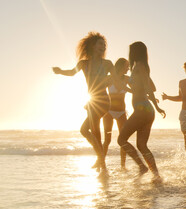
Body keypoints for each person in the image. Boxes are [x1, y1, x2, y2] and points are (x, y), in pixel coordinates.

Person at [53, 32, 116, 172]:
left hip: (103, 100)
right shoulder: (84, 63)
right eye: (100, 44)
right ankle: (101, 163)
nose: (103, 46)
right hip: (92, 100)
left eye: (104, 45)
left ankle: (101, 160)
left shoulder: (107, 63)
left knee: (87, 130)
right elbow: (71, 72)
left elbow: (115, 78)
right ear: (93, 46)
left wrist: (109, 81)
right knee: (92, 131)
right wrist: (59, 71)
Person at [117, 41, 166, 180]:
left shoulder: (139, 66)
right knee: (142, 145)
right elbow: (147, 87)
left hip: (142, 109)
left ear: (135, 53)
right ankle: (156, 176)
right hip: (146, 110)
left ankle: (142, 167)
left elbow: (150, 88)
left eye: (131, 51)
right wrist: (127, 87)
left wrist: (156, 106)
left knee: (121, 139)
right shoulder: (140, 67)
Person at [103, 58, 131, 169]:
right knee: (107, 139)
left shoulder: (128, 79)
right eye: (126, 66)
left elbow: (138, 89)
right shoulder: (109, 79)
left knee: (123, 140)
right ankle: (102, 164)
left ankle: (123, 166)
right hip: (108, 112)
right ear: (120, 66)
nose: (128, 68)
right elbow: (97, 90)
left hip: (121, 113)